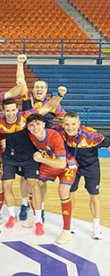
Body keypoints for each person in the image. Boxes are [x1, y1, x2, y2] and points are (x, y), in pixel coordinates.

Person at [0, 86, 66, 235]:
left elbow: (48, 106)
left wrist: (59, 95)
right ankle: (12, 216)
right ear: (3, 111)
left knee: (34, 186)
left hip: (29, 157)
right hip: (10, 158)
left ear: (17, 109)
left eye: (13, 110)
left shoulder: (26, 116)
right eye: (7, 110)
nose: (11, 113)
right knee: (6, 185)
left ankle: (38, 220)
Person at [19, 78, 66, 222]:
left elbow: (64, 119)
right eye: (36, 87)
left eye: (42, 87)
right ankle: (24, 203)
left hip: (47, 145)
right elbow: (20, 82)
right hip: (28, 142)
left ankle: (42, 208)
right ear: (32, 90)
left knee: (42, 180)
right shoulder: (27, 100)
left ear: (46, 91)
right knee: (24, 176)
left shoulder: (54, 104)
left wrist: (59, 132)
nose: (39, 89)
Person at [58, 111, 110, 240]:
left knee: (94, 194)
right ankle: (70, 224)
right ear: (63, 124)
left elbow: (108, 144)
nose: (70, 127)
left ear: (79, 124)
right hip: (72, 166)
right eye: (67, 124)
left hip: (91, 167)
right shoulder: (60, 133)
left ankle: (96, 228)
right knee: (70, 193)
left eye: (73, 124)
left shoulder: (92, 135)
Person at [27, 113, 76, 244]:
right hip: (49, 163)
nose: (35, 127)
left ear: (43, 124)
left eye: (37, 124)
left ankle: (66, 230)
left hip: (66, 165)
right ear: (28, 128)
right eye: (31, 125)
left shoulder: (54, 136)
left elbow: (62, 163)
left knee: (63, 191)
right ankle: (37, 216)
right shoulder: (31, 135)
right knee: (34, 186)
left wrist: (41, 159)